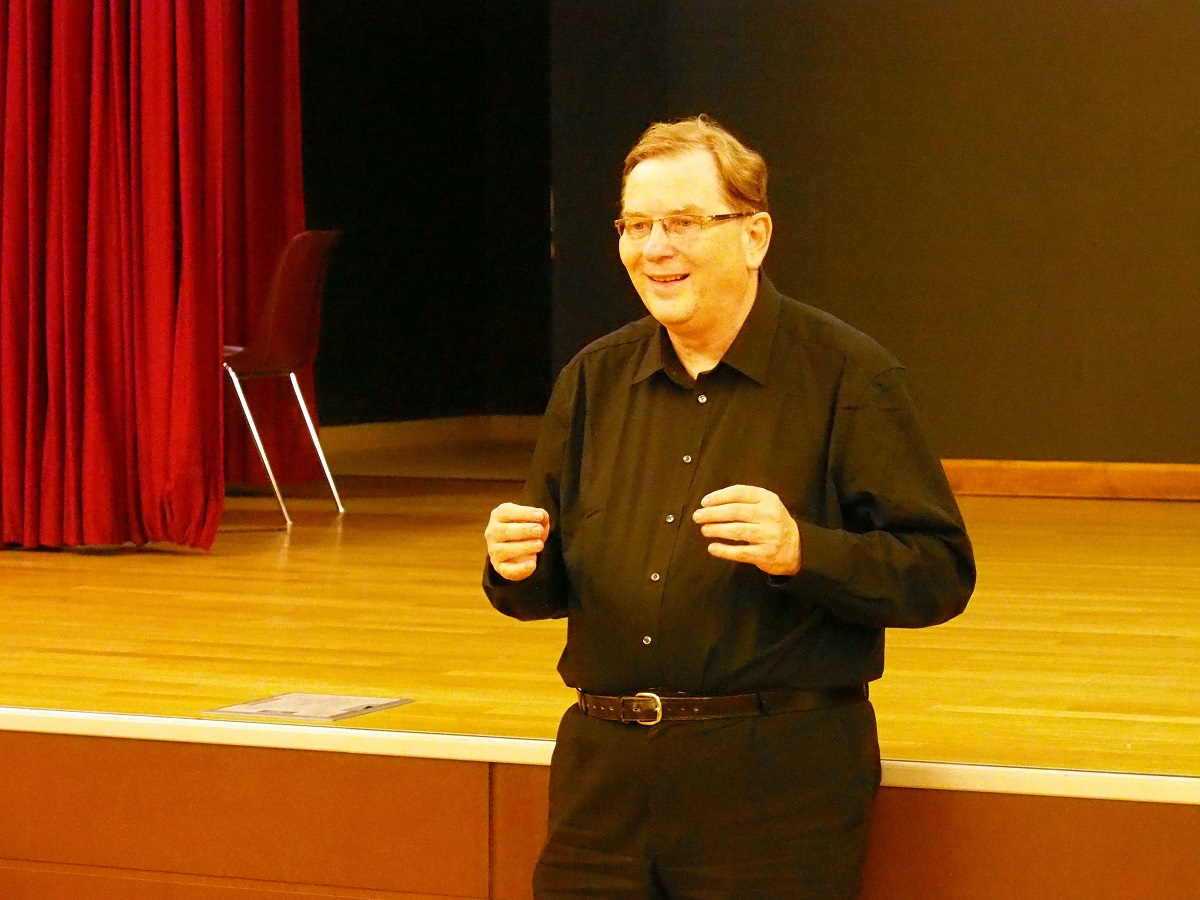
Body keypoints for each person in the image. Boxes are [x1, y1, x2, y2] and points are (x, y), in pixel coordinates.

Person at [483, 114, 975, 899]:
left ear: (755, 236)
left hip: (773, 788)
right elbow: (547, 584)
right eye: (636, 225)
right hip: (602, 783)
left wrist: (802, 551)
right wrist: (514, 567)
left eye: (683, 222)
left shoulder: (849, 376)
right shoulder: (592, 380)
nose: (654, 248)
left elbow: (939, 571)